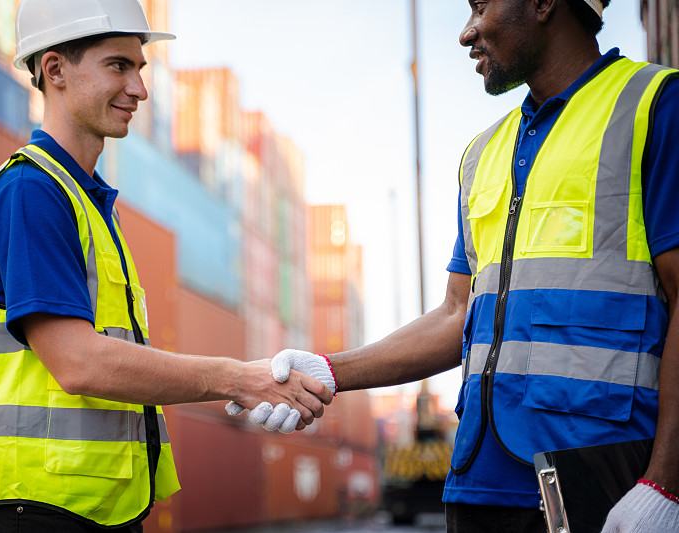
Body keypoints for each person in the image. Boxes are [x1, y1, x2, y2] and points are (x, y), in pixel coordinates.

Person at [231, 0, 679, 531]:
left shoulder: (653, 106)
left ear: (542, 4)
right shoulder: (482, 152)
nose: (466, 33)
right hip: (476, 481)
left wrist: (664, 484)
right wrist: (330, 371)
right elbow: (456, 314)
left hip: (601, 479)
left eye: (480, 6)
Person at [0, 1, 332, 531]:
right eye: (118, 66)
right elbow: (78, 362)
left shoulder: (85, 202)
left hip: (87, 510)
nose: (140, 89)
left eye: (141, 68)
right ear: (55, 69)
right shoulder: (29, 193)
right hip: (35, 509)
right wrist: (236, 378)